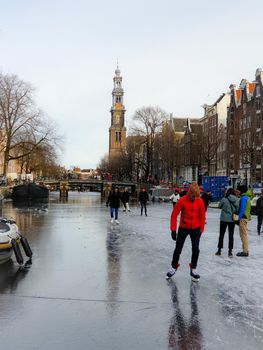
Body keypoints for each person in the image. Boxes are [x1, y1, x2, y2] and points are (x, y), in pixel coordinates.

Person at [166, 181, 206, 282]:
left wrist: (201, 230)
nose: (194, 198)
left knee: (196, 249)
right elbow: (174, 215)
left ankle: (193, 268)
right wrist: (173, 230)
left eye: (196, 196)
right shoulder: (182, 200)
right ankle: (174, 267)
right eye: (193, 196)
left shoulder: (200, 201)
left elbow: (202, 217)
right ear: (189, 193)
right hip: (184, 227)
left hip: (196, 228)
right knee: (178, 249)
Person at [215, 188, 239, 257]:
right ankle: (230, 251)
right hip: (232, 219)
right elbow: (237, 209)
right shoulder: (236, 199)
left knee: (221, 235)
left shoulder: (224, 199)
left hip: (223, 219)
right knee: (231, 235)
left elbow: (219, 206)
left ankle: (219, 250)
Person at [236, 185, 251, 257]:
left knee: (243, 235)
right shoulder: (247, 198)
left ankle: (245, 251)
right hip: (246, 218)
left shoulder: (243, 198)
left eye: (238, 190)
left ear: (241, 190)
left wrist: (238, 218)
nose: (237, 191)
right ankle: (245, 250)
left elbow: (242, 209)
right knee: (243, 234)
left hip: (242, 218)